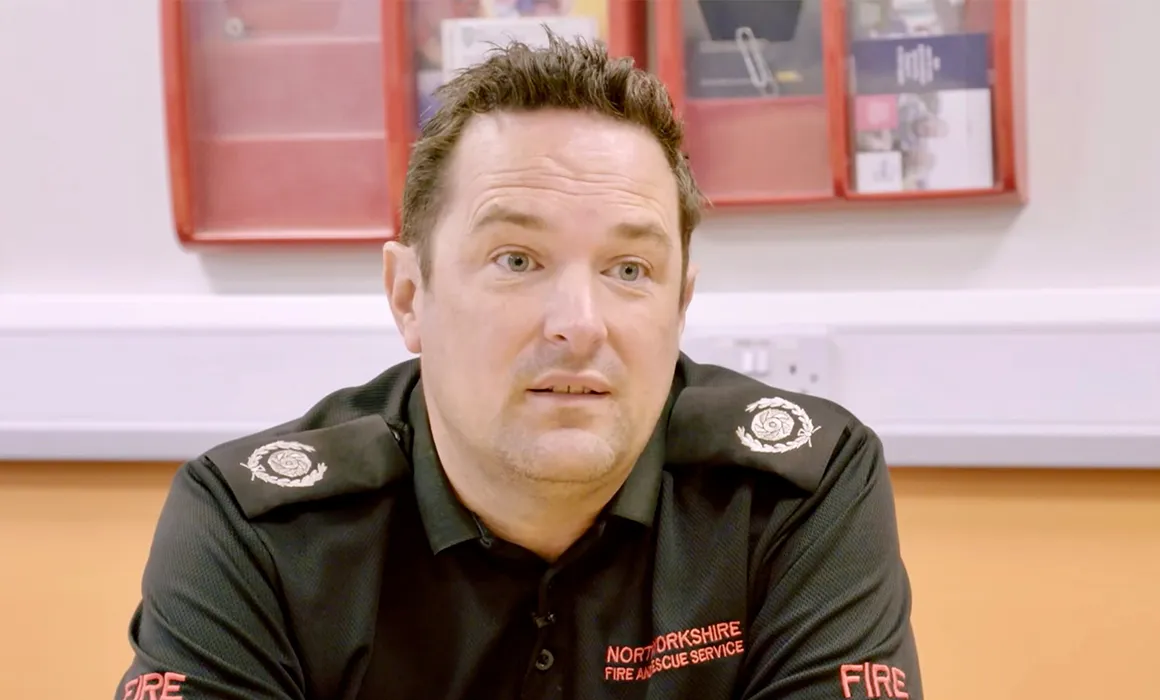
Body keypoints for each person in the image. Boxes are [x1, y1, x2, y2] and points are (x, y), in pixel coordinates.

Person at [114, 33, 923, 700]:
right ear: (408, 295)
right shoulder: (256, 531)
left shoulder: (797, 495)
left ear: (681, 306)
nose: (579, 325)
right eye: (516, 259)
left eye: (630, 271)